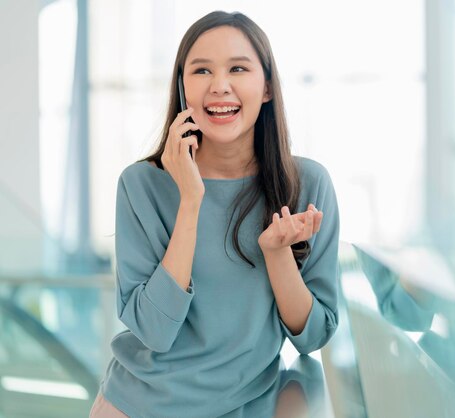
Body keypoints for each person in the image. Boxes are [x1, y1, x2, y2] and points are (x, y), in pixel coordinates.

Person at [90, 10, 340, 418]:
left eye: (238, 68)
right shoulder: (140, 185)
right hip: (136, 406)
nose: (219, 86)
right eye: (201, 70)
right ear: (183, 87)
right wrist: (190, 200)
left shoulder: (306, 184)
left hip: (247, 404)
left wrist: (277, 255)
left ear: (267, 88)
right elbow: (154, 330)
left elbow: (313, 337)